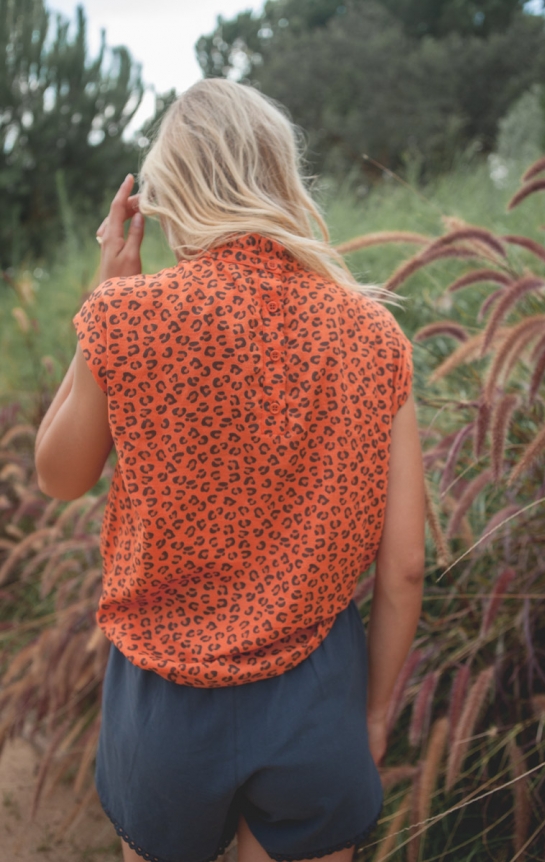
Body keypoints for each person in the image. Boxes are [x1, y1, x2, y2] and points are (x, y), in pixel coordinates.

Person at [35, 79, 425, 862]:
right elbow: (405, 568)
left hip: (163, 705)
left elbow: (59, 477)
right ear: (281, 177)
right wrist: (375, 714)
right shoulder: (371, 333)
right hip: (318, 692)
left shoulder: (127, 316)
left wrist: (110, 296)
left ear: (168, 192)